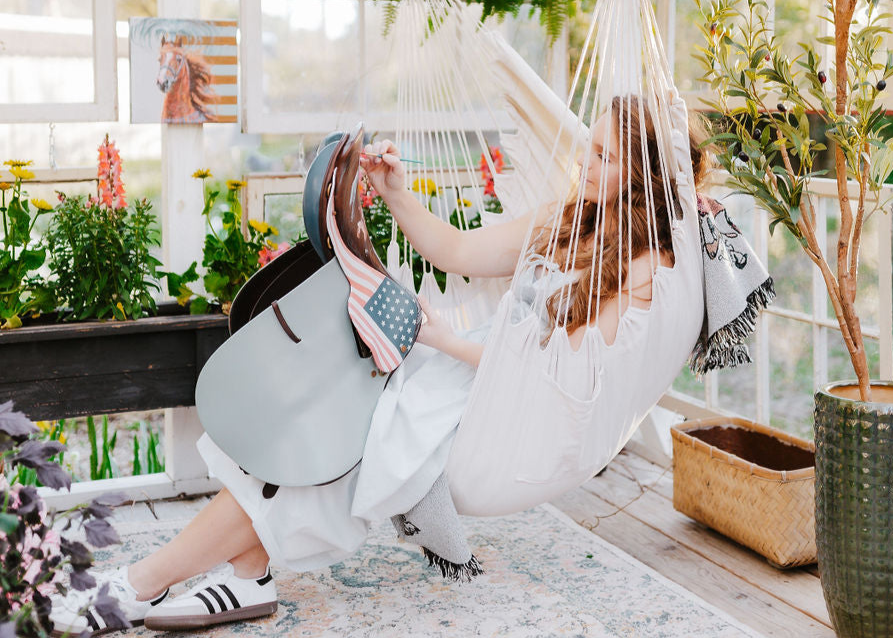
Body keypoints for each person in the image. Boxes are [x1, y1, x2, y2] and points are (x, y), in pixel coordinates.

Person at [48, 96, 711, 635]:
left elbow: (549, 374)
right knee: (313, 410)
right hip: (463, 378)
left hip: (507, 418)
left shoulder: (650, 270)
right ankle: (243, 573)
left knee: (329, 447)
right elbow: (455, 249)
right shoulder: (570, 220)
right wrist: (395, 193)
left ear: (648, 174)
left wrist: (445, 340)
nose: (582, 160)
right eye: (587, 147)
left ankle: (136, 587)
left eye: (602, 155)